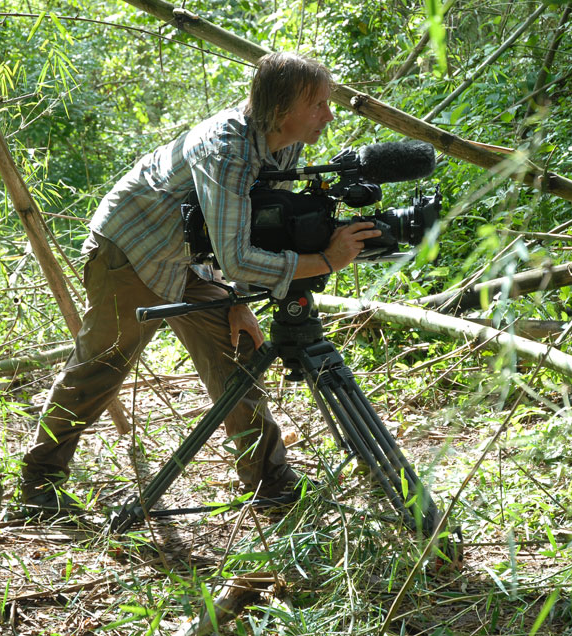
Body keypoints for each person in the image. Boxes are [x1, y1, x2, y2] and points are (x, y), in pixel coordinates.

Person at [20, 51, 381, 513]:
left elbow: (257, 231)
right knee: (101, 367)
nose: (329, 116)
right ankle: (38, 486)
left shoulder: (285, 142)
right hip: (132, 248)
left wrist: (236, 299)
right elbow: (238, 255)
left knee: (238, 351)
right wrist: (324, 261)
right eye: (318, 106)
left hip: (192, 254)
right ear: (279, 110)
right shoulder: (227, 148)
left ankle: (272, 486)